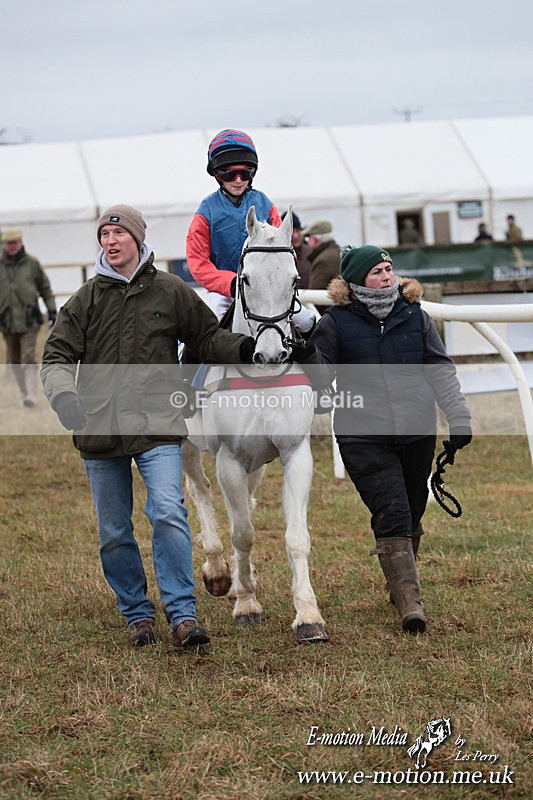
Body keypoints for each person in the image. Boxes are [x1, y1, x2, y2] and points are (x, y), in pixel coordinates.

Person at [41, 204, 257, 650]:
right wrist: (65, 398)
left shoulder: (171, 290)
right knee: (115, 530)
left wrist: (244, 348)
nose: (110, 242)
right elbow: (56, 356)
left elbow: (206, 338)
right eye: (104, 236)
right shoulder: (85, 299)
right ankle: (137, 615)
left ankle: (183, 614)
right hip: (99, 428)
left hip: (158, 423)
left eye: (118, 234)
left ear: (138, 238)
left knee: (168, 512)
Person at [292, 244, 472, 634]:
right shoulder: (336, 322)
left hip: (416, 431)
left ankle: (399, 582)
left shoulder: (416, 316)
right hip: (362, 435)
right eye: (376, 271)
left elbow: (440, 368)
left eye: (388, 268)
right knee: (392, 512)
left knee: (412, 508)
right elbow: (321, 379)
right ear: (357, 280)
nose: (387, 276)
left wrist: (458, 417)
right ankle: (411, 603)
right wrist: (307, 353)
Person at [185, 129, 315, 334]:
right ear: (217, 175)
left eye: (245, 173)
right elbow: (198, 263)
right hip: (224, 291)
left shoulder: (264, 203)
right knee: (205, 329)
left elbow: (285, 249)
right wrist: (231, 283)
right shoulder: (206, 211)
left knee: (308, 322)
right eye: (229, 174)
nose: (238, 180)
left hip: (267, 286)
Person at [0, 228, 56, 407]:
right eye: (9, 243)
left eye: (16, 242)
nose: (13, 246)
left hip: (29, 319)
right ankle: (24, 393)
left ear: (21, 243)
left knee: (28, 356)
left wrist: (52, 310)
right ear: (5, 245)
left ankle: (32, 395)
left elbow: (45, 288)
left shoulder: (32, 264)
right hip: (7, 321)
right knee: (14, 361)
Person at [302, 219, 341, 315]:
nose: (307, 242)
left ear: (315, 240)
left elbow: (314, 298)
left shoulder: (323, 260)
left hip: (329, 316)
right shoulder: (338, 252)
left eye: (308, 238)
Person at [281, 210, 312, 288]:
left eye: (297, 231)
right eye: (291, 232)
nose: (295, 236)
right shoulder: (278, 256)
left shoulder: (311, 253)